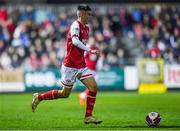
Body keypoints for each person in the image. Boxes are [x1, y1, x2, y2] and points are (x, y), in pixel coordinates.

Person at [31, 4, 102, 124]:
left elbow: (80, 46)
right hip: (70, 65)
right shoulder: (75, 25)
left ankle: (88, 116)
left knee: (93, 87)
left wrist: (86, 52)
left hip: (81, 65)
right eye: (88, 14)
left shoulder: (87, 28)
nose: (90, 17)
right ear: (82, 14)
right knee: (64, 94)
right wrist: (89, 50)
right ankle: (39, 97)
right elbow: (74, 41)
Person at [79, 37, 100, 106]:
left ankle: (83, 95)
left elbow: (96, 58)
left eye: (93, 41)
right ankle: (84, 96)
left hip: (94, 69)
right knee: (93, 85)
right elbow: (82, 56)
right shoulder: (86, 48)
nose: (92, 42)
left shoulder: (96, 48)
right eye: (91, 41)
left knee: (92, 86)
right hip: (88, 69)